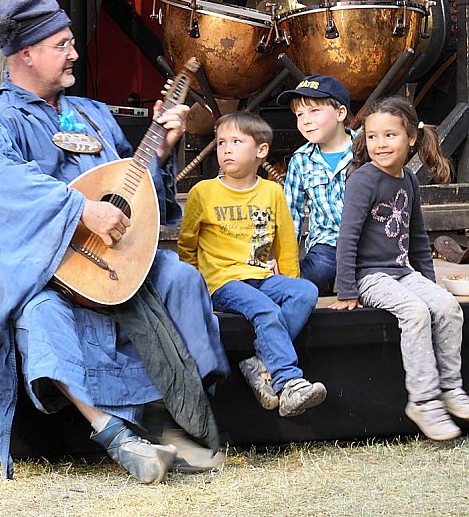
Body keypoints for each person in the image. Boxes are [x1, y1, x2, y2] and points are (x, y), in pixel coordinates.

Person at [0, 0, 229, 485]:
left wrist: (161, 152)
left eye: (71, 42)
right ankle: (115, 435)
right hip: (42, 264)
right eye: (61, 45)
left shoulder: (92, 113)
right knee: (42, 315)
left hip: (113, 256)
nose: (74, 53)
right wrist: (80, 210)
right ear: (26, 54)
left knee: (180, 279)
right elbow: (6, 189)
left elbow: (128, 186)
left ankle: (178, 421)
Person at [334, 96, 469, 440]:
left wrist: (430, 283)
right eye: (373, 136)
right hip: (369, 276)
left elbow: (419, 237)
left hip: (401, 272)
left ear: (410, 138)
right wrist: (346, 289)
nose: (380, 144)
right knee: (415, 312)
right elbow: (347, 237)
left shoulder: (408, 178)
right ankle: (423, 401)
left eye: (389, 135)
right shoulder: (363, 180)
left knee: (447, 307)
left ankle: (451, 388)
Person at [177, 111, 327, 418]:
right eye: (221, 143)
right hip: (223, 281)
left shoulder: (272, 191)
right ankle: (288, 381)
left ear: (261, 150)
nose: (226, 149)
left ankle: (259, 362)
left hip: (261, 276)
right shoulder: (202, 192)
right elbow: (187, 244)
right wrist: (194, 289)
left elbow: (286, 243)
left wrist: (290, 278)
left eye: (236, 142)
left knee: (305, 292)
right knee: (266, 310)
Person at [278, 75, 354, 295]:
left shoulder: (365, 150)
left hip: (367, 241)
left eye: (314, 111)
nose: (305, 121)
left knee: (376, 270)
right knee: (318, 269)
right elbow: (291, 215)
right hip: (327, 246)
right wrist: (286, 263)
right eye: (299, 115)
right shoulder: (301, 160)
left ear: (340, 113)